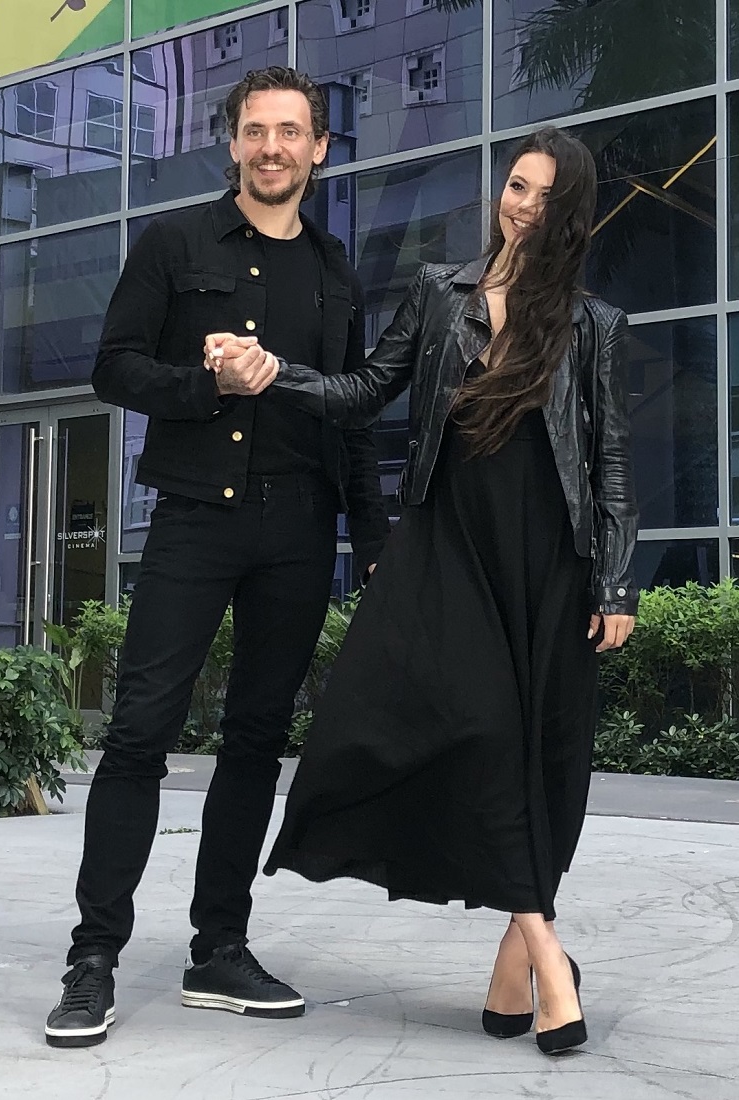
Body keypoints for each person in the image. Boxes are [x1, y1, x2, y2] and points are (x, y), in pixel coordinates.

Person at [207, 125, 638, 1056]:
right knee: (482, 735)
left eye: (540, 196)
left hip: (548, 561)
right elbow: (366, 391)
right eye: (513, 186)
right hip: (448, 546)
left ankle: (513, 970)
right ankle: (551, 958)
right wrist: (276, 375)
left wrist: (616, 582)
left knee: (545, 762)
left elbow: (606, 461)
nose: (519, 205)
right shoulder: (442, 294)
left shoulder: (593, 323)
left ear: (569, 214)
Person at [44, 67, 391, 1048]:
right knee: (138, 734)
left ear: (319, 148)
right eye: (255, 131)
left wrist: (370, 542)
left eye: (291, 132)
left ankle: (218, 948)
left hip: (296, 529)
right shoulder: (172, 243)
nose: (272, 146)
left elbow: (356, 413)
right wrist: (205, 381)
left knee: (253, 741)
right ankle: (93, 956)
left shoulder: (334, 272)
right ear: (232, 143)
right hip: (196, 519)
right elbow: (114, 365)